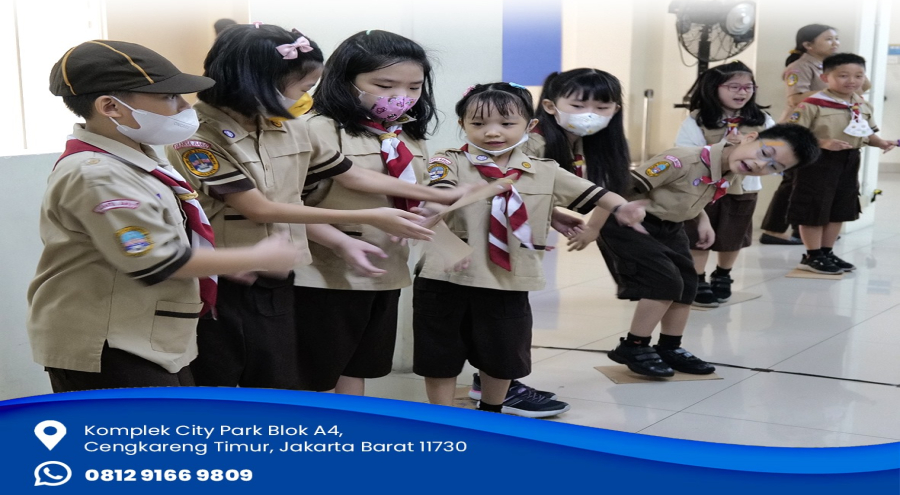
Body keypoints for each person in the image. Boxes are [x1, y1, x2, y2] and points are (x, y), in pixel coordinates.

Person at [165, 24, 462, 389]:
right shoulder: (197, 139)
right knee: (222, 379)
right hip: (226, 276)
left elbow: (353, 175)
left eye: (413, 87)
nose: (306, 98)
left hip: (279, 273)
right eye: (302, 88)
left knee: (280, 380)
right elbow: (260, 208)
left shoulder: (285, 125)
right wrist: (366, 218)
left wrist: (437, 196)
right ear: (259, 83)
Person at [28, 40, 305, 393]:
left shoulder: (138, 159)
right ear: (111, 107)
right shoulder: (98, 174)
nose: (185, 106)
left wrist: (215, 262)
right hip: (111, 342)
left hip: (150, 336)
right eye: (169, 97)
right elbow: (156, 259)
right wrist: (257, 256)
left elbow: (163, 234)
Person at [413, 83, 648, 416]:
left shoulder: (545, 170)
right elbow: (440, 191)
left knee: (504, 354)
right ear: (463, 124)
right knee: (439, 354)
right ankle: (442, 417)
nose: (492, 132)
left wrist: (622, 207)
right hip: (446, 277)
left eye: (507, 124)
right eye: (478, 124)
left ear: (530, 125)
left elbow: (595, 193)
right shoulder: (448, 160)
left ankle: (492, 412)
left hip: (509, 279)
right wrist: (436, 204)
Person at [292, 29, 462, 396]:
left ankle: (353, 424)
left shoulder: (405, 136)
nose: (402, 97)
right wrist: (338, 241)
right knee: (315, 372)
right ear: (345, 80)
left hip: (386, 270)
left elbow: (416, 191)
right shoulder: (315, 130)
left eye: (414, 87)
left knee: (359, 364)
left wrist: (432, 210)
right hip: (323, 276)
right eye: (385, 85)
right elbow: (285, 207)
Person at [465, 68, 631, 408]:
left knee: (506, 317)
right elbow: (500, 184)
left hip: (515, 239)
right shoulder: (534, 141)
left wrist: (552, 214)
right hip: (493, 239)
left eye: (601, 107)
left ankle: (496, 383)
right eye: (579, 105)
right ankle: (496, 386)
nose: (589, 114)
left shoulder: (580, 142)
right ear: (551, 106)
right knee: (501, 318)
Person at [602, 123, 820, 377]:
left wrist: (702, 220)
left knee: (688, 284)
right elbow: (617, 190)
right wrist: (593, 228)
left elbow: (694, 194)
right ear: (750, 138)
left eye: (773, 167)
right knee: (664, 282)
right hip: (631, 223)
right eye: (765, 153)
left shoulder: (730, 169)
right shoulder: (681, 159)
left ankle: (670, 347)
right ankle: (633, 346)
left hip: (671, 226)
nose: (761, 165)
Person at [675, 61, 775, 306]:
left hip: (744, 187)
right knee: (698, 234)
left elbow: (775, 149)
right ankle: (697, 278)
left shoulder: (762, 119)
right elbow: (686, 153)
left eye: (748, 87)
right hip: (704, 187)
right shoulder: (697, 120)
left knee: (734, 233)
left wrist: (752, 148)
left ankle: (723, 274)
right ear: (714, 88)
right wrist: (723, 147)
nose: (742, 92)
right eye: (734, 87)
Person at [787, 53, 896, 274]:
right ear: (825, 77)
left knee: (840, 207)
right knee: (814, 207)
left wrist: (880, 142)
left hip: (849, 159)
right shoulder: (812, 104)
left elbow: (865, 131)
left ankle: (826, 252)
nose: (852, 81)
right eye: (843, 75)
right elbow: (792, 135)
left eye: (858, 75)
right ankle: (812, 256)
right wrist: (823, 142)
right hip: (817, 161)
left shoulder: (861, 103)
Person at [760, 24, 838, 245]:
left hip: (817, 131)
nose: (835, 43)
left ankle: (800, 230)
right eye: (829, 39)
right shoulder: (799, 67)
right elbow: (795, 98)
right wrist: (834, 89)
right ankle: (773, 231)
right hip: (798, 132)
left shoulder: (829, 66)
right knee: (793, 183)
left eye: (836, 38)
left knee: (808, 183)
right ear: (808, 45)